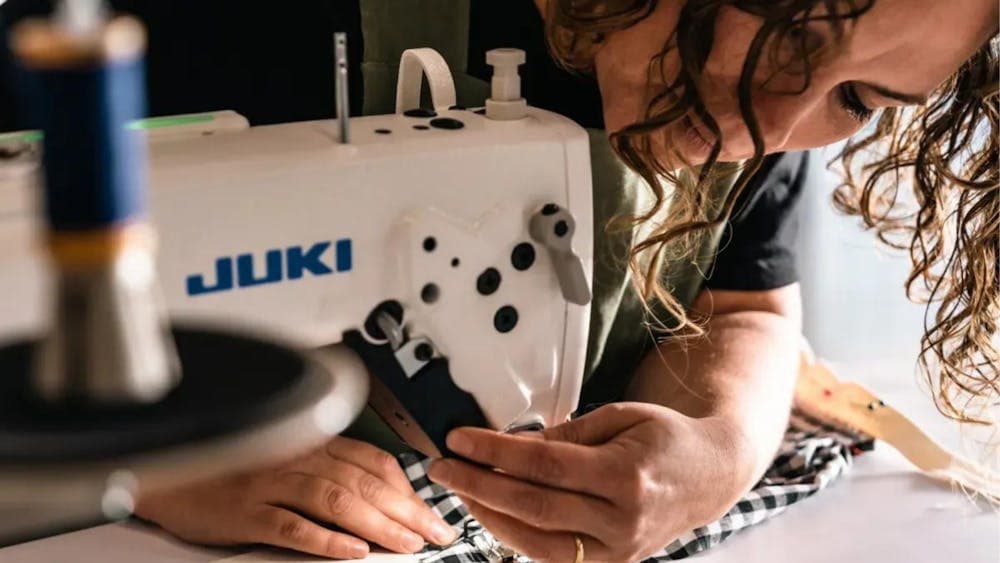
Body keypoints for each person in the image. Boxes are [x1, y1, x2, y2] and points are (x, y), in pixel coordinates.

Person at [2, 1, 996, 561]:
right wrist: (157, 460)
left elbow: (743, 306)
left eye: (859, 98)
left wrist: (713, 452)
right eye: (787, 36)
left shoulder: (759, 108)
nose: (774, 128)